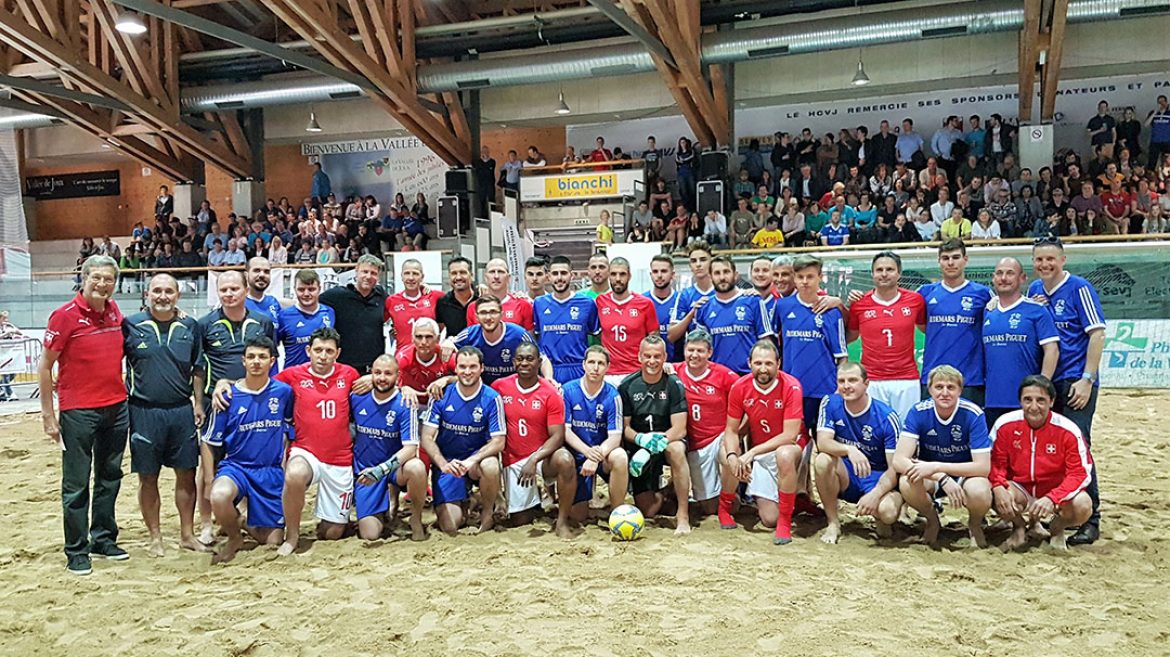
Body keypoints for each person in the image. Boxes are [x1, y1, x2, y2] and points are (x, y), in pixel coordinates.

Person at [40, 255, 130, 575]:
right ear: (84, 277)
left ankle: (103, 538)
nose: (102, 284)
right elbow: (45, 366)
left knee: (109, 478)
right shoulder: (63, 316)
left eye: (109, 279)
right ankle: (77, 550)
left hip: (117, 407)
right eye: (97, 278)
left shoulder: (116, 311)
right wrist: (49, 416)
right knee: (76, 484)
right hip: (78, 411)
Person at [1028, 237, 1106, 545]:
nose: (1045, 265)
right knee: (1054, 447)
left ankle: (1092, 518)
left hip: (1075, 380)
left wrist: (1087, 378)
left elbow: (1098, 334)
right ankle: (1063, 508)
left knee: (1079, 445)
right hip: (1048, 382)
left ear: (1063, 260)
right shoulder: (1035, 290)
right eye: (1039, 260)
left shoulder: (1080, 288)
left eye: (1050, 259)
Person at [122, 274, 207, 557]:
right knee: (148, 477)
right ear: (147, 294)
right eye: (157, 290)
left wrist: (197, 403)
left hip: (181, 410)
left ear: (178, 295)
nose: (162, 296)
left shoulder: (189, 326)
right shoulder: (131, 325)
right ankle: (155, 536)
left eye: (168, 291)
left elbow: (197, 369)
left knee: (186, 473)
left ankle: (187, 534)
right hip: (143, 411)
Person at [203, 337, 292, 564]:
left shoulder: (283, 392)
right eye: (251, 357)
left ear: (272, 361)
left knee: (272, 540)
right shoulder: (227, 396)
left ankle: (242, 521)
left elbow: (291, 428)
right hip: (237, 467)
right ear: (243, 361)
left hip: (269, 471)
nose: (256, 362)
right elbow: (208, 441)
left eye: (262, 357)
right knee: (219, 495)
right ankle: (234, 537)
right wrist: (209, 478)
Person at [990, 375, 1094, 551]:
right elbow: (995, 464)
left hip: (1054, 490)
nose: (1033, 407)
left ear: (1051, 402)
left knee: (1083, 505)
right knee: (991, 493)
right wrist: (999, 486)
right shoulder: (1005, 424)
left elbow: (1079, 473)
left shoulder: (1068, 430)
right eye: (1027, 400)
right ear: (1020, 401)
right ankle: (1018, 526)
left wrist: (1053, 497)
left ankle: (1057, 528)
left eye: (1041, 400)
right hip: (1020, 488)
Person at [894, 366, 993, 547]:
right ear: (930, 389)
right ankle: (932, 520)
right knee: (906, 481)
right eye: (939, 387)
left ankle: (975, 524)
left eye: (951, 387)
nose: (945, 393)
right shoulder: (918, 411)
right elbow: (899, 460)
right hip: (931, 475)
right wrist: (940, 475)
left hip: (964, 474)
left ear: (960, 390)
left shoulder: (973, 413)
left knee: (980, 491)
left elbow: (983, 467)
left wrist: (938, 467)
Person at [722, 341, 805, 544]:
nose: (763, 369)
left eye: (768, 363)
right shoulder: (740, 387)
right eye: (758, 363)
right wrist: (733, 456)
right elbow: (731, 430)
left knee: (784, 455)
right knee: (769, 519)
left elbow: (790, 435)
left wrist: (751, 452)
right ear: (749, 363)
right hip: (762, 454)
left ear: (778, 363)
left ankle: (785, 524)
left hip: (791, 449)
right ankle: (724, 507)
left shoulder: (791, 385)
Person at [814, 362, 903, 544]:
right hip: (847, 474)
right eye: (842, 381)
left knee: (887, 513)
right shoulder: (830, 403)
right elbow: (823, 443)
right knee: (822, 461)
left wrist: (876, 494)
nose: (846, 386)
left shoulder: (886, 416)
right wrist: (849, 449)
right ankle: (833, 522)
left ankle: (881, 516)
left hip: (878, 477)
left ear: (866, 383)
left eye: (853, 380)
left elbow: (895, 467)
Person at [491, 343, 575, 537]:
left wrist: (534, 459)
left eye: (530, 359)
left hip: (542, 457)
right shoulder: (500, 387)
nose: (524, 363)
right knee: (521, 521)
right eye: (520, 359)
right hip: (513, 459)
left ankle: (562, 522)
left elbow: (557, 436)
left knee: (565, 459)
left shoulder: (550, 393)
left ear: (538, 362)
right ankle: (534, 501)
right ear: (513, 362)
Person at [420, 346, 505, 534]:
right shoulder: (441, 395)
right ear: (456, 369)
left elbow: (499, 441)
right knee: (450, 525)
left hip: (475, 462)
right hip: (449, 462)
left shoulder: (492, 398)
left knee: (491, 465)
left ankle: (487, 513)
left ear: (482, 368)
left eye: (473, 367)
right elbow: (426, 437)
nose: (467, 372)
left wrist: (471, 461)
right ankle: (469, 500)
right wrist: (442, 464)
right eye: (462, 367)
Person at [619, 335, 691, 535]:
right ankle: (669, 489)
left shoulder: (674, 384)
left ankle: (683, 516)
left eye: (657, 356)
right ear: (639, 356)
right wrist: (642, 440)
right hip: (640, 445)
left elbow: (680, 428)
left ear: (665, 357)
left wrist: (655, 445)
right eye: (648, 356)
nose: (652, 361)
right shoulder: (627, 386)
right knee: (648, 511)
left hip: (668, 440)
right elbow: (624, 428)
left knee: (676, 449)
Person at [351, 354, 428, 541]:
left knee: (417, 467)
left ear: (397, 376)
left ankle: (416, 518)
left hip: (393, 469)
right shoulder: (356, 397)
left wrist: (382, 469)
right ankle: (382, 510)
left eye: (388, 373)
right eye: (377, 373)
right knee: (370, 535)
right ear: (370, 374)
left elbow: (410, 448)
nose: (382, 378)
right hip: (365, 472)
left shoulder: (405, 402)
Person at [846, 251, 926, 421]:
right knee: (874, 434)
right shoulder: (859, 304)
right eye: (879, 270)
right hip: (872, 380)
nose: (884, 274)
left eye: (889, 269)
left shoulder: (915, 300)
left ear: (899, 273)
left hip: (907, 380)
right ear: (872, 274)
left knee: (907, 434)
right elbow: (849, 337)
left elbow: (926, 328)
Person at [982, 257, 1060, 427]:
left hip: (1025, 401)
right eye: (1000, 273)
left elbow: (1052, 350)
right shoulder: (988, 312)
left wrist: (1042, 386)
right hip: (992, 400)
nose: (1004, 278)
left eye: (1010, 273)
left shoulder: (1037, 310)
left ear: (1022, 278)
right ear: (993, 278)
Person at [918, 239, 992, 405]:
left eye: (956, 257)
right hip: (933, 379)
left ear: (965, 260)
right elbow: (922, 326)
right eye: (945, 258)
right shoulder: (925, 293)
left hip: (970, 380)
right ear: (939, 261)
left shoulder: (984, 294)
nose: (950, 262)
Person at [674, 330, 738, 516]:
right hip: (695, 444)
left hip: (719, 436)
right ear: (684, 350)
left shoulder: (724, 375)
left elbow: (746, 398)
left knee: (729, 454)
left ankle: (730, 496)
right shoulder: (674, 371)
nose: (694, 355)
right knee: (709, 510)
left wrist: (736, 431)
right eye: (690, 350)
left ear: (709, 352)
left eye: (700, 351)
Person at [561, 347, 629, 519]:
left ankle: (617, 513)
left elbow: (615, 437)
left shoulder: (613, 395)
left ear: (607, 367)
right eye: (591, 362)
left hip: (602, 455)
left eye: (600, 363)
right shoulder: (568, 391)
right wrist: (586, 452)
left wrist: (594, 457)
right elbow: (565, 431)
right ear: (583, 365)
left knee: (620, 456)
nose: (595, 367)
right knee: (578, 516)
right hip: (578, 454)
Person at [696, 256, 772, 374]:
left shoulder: (753, 301)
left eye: (726, 272)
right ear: (710, 277)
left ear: (735, 275)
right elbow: (701, 346)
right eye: (717, 273)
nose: (722, 277)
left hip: (749, 376)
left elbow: (766, 341)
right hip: (717, 377)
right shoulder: (704, 307)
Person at [534, 255, 599, 385]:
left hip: (578, 368)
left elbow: (597, 338)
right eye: (555, 274)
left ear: (572, 275)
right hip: (549, 370)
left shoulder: (587, 303)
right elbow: (535, 337)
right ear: (549, 277)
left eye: (563, 273)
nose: (559, 278)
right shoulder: (539, 303)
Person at [447, 295, 537, 385]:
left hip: (513, 390)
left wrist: (548, 378)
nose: (488, 317)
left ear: (501, 314)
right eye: (483, 313)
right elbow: (449, 345)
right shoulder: (469, 334)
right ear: (476, 317)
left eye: (493, 312)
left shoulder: (519, 334)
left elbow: (542, 359)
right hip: (482, 391)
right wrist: (447, 343)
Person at [320, 254, 388, 374]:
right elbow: (310, 300)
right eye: (365, 271)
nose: (368, 276)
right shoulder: (337, 296)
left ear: (378, 276)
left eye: (373, 273)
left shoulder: (381, 295)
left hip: (374, 368)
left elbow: (402, 303)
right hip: (344, 368)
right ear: (356, 271)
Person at [597, 258, 660, 385]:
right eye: (613, 274)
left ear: (629, 276)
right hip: (609, 373)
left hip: (636, 372)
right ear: (608, 276)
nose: (618, 279)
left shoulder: (645, 304)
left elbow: (654, 338)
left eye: (622, 274)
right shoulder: (600, 301)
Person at [276, 269, 336, 369]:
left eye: (311, 289)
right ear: (294, 289)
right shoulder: (283, 316)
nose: (306, 294)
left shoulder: (329, 312)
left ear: (319, 289)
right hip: (293, 378)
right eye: (301, 289)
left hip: (322, 376)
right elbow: (273, 348)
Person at [384, 258, 443, 356]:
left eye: (415, 274)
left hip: (429, 356)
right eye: (407, 273)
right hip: (403, 357)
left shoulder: (435, 296)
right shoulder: (391, 301)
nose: (411, 278)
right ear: (401, 276)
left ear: (422, 277)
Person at [466, 258, 535, 332]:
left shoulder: (523, 305)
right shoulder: (473, 307)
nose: (496, 276)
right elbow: (472, 339)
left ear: (508, 278)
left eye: (500, 272)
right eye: (492, 272)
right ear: (486, 277)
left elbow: (529, 340)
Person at [645, 254, 682, 362]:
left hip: (677, 363)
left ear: (673, 274)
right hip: (650, 362)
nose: (659, 275)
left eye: (664, 271)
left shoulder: (681, 300)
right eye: (655, 272)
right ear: (651, 274)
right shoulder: (642, 301)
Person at [435, 256, 477, 337]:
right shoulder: (442, 303)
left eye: (463, 272)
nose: (458, 277)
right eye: (454, 273)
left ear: (471, 276)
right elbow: (440, 332)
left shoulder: (482, 299)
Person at [244, 257, 282, 328]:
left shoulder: (273, 302)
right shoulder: (239, 304)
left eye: (266, 272)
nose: (262, 275)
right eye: (256, 270)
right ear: (246, 275)